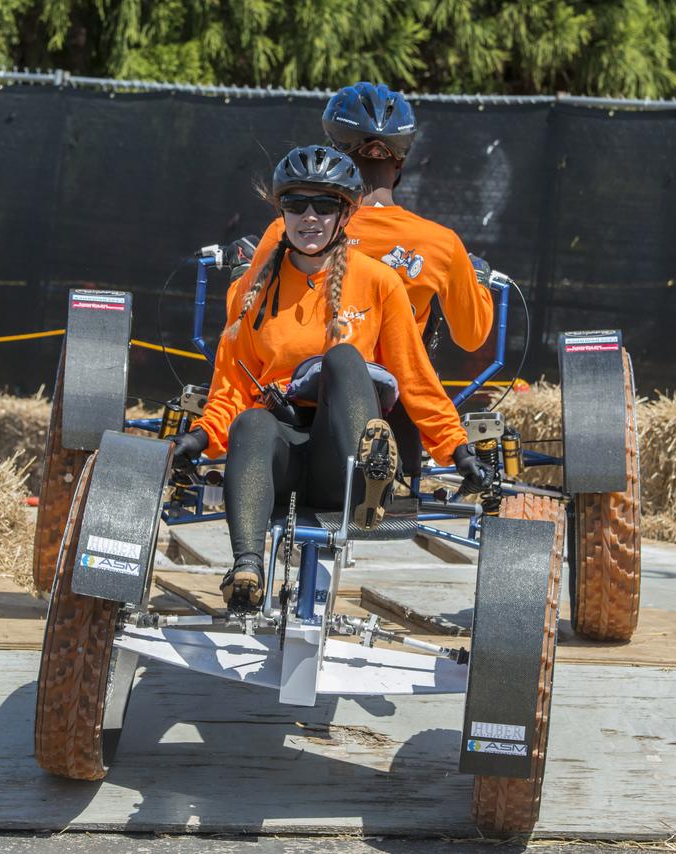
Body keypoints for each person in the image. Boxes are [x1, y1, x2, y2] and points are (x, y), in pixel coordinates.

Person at [170, 146, 493, 613]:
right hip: (282, 461)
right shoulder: (251, 289)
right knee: (251, 424)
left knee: (343, 358)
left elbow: (415, 376)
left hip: (344, 463)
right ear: (281, 211)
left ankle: (373, 474)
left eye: (324, 205)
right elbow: (231, 388)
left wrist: (458, 450)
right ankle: (246, 568)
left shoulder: (380, 281)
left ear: (346, 213)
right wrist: (199, 439)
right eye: (296, 204)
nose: (309, 216)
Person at [249, 83, 496, 473]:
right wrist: (476, 281)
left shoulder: (290, 229)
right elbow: (472, 336)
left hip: (290, 408)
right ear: (400, 163)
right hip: (393, 414)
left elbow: (248, 328)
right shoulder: (441, 244)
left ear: (331, 154)